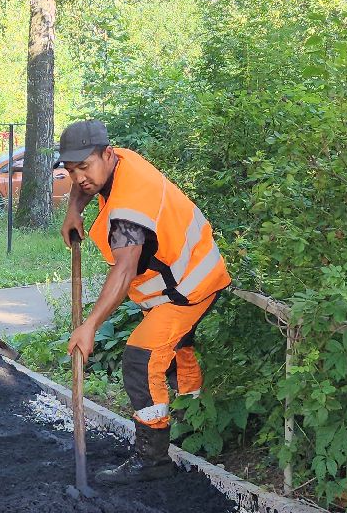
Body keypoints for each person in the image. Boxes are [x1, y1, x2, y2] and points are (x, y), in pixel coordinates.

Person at [58, 119, 231, 485]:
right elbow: (88, 182)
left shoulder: (130, 210)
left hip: (189, 287)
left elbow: (122, 272)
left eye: (84, 167)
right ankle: (191, 421)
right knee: (178, 350)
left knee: (141, 359)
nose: (78, 178)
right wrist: (74, 209)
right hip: (175, 281)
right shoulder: (116, 161)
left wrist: (89, 327)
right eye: (71, 170)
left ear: (106, 154)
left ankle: (152, 460)